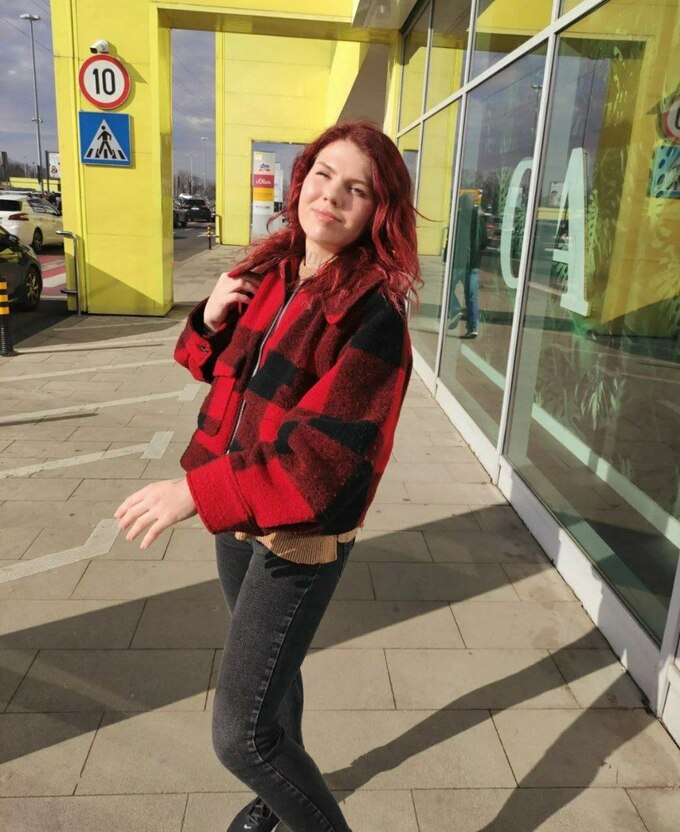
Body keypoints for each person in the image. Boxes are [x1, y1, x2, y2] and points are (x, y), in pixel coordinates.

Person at [115, 120, 420, 832]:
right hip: (240, 514)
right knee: (272, 692)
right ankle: (280, 798)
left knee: (241, 736)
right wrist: (211, 315)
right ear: (301, 180)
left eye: (357, 189)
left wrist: (194, 492)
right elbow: (211, 369)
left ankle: (292, 800)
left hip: (299, 533)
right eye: (323, 176)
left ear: (379, 212)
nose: (332, 196)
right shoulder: (275, 271)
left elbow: (321, 461)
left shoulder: (373, 315)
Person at [447, 189, 488, 338]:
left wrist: (447, 257)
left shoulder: (458, 218)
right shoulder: (479, 220)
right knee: (472, 297)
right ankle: (473, 327)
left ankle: (455, 309)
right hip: (473, 264)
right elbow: (484, 241)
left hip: (459, 262)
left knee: (448, 289)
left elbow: (451, 239)